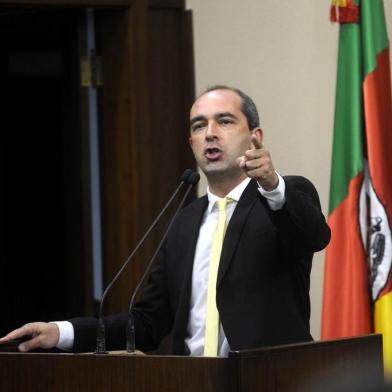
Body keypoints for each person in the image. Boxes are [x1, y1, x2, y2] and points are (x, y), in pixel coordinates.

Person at [0, 85, 330, 356]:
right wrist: (61, 332)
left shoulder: (284, 197)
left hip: (271, 381)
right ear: (192, 144)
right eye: (199, 126)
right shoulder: (185, 222)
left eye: (225, 121)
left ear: (255, 137)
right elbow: (147, 323)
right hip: (191, 381)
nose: (210, 134)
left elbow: (314, 236)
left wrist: (272, 185)